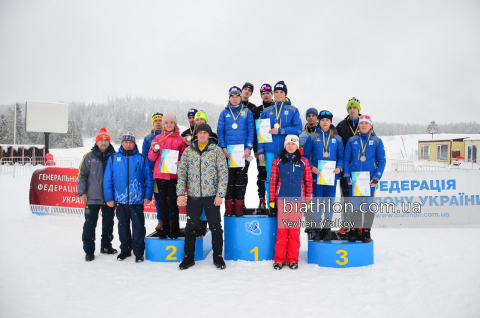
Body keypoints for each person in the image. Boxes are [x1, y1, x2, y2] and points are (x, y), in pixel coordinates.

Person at [176, 123, 228, 270]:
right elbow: (182, 174)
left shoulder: (216, 151)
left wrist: (220, 194)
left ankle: (218, 256)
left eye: (205, 133)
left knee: (215, 227)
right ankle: (188, 257)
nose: (202, 135)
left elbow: (223, 174)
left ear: (209, 134)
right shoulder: (188, 151)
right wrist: (180, 193)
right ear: (196, 135)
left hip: (211, 196)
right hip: (193, 196)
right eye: (200, 133)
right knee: (191, 227)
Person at [103, 131, 154, 263]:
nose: (128, 144)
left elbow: (148, 178)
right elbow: (108, 178)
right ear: (121, 143)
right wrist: (109, 198)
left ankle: (138, 252)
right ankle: (125, 250)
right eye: (125, 142)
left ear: (134, 143)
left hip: (137, 200)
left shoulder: (141, 158)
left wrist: (148, 195)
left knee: (138, 227)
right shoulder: (113, 158)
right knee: (122, 227)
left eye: (130, 142)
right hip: (120, 200)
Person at [269, 135, 313, 270]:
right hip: (282, 201)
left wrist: (308, 201)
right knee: (282, 232)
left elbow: (308, 182)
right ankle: (279, 259)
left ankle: (293, 259)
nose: (290, 146)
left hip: (297, 201)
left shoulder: (304, 162)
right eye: (288, 144)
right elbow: (273, 181)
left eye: (293, 144)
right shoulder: (278, 161)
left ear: (297, 146)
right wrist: (271, 200)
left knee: (294, 232)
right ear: (285, 145)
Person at [257, 81, 303, 209]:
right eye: (276, 92)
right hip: (269, 149)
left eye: (281, 92)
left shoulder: (293, 110)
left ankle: (285, 205)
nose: (278, 94)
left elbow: (299, 129)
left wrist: (281, 131)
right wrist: (260, 150)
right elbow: (261, 131)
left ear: (285, 94)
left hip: (287, 150)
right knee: (270, 178)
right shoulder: (267, 111)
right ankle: (272, 204)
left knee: (286, 178)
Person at [343, 115, 386, 243]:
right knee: (355, 206)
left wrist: (376, 178)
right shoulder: (352, 140)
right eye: (361, 123)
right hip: (355, 180)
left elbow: (382, 161)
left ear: (371, 126)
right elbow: (346, 159)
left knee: (368, 206)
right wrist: (347, 175)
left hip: (369, 181)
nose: (363, 125)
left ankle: (366, 232)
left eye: (366, 123)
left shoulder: (377, 141)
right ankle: (354, 230)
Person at [302, 111, 344, 241]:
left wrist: (339, 168)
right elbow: (305, 156)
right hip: (317, 177)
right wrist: (311, 166)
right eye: (322, 120)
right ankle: (315, 228)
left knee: (329, 202)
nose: (325, 122)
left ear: (331, 122)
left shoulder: (338, 138)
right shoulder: (313, 137)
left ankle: (326, 228)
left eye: (327, 119)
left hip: (331, 177)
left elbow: (341, 157)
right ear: (319, 122)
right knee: (317, 202)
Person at [78, 127, 117, 261]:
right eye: (101, 140)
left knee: (108, 223)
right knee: (90, 224)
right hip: (91, 197)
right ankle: (89, 250)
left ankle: (106, 246)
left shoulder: (115, 156)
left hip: (109, 198)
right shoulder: (88, 156)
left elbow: (118, 177)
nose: (103, 143)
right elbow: (81, 175)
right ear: (97, 142)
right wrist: (82, 192)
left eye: (106, 141)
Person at [217, 86, 255, 217]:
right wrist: (223, 147)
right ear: (229, 98)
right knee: (228, 180)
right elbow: (220, 132)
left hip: (242, 154)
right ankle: (229, 208)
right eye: (232, 96)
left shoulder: (247, 112)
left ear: (240, 97)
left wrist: (248, 148)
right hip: (228, 154)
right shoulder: (224, 113)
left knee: (241, 180)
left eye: (237, 96)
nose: (234, 99)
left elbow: (251, 132)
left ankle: (238, 207)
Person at [148, 113, 187, 239]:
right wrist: (154, 150)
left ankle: (175, 229)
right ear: (164, 125)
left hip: (173, 175)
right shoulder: (158, 138)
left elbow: (184, 156)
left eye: (171, 122)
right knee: (163, 202)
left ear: (175, 124)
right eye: (166, 123)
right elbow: (151, 157)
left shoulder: (181, 139)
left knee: (172, 201)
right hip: (160, 175)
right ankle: (164, 229)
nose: (169, 125)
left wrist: (180, 161)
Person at [142, 113, 168, 231]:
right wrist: (153, 167)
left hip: (167, 172)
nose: (158, 122)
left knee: (169, 198)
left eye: (160, 120)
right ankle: (161, 220)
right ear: (153, 122)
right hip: (155, 173)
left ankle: (171, 221)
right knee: (158, 198)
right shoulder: (148, 138)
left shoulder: (168, 135)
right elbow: (144, 156)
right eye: (156, 120)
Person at [336, 97, 362, 201]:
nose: (352, 110)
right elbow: (337, 148)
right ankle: (346, 218)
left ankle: (359, 218)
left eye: (355, 107)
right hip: (346, 168)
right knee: (346, 200)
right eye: (350, 107)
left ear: (358, 109)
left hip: (361, 168)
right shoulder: (341, 126)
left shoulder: (365, 124)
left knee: (361, 201)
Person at [253, 84, 273, 211]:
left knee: (275, 175)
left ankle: (273, 201)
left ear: (272, 94)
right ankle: (262, 201)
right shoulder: (257, 110)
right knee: (262, 175)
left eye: (268, 93)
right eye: (263, 93)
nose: (265, 95)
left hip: (274, 148)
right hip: (262, 149)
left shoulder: (277, 108)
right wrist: (256, 149)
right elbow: (254, 131)